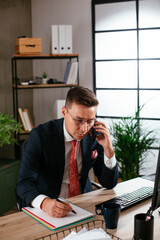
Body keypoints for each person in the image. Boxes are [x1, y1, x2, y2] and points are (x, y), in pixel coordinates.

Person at [17, 86, 118, 218]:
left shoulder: (94, 135)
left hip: (84, 204)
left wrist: (108, 149)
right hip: (51, 207)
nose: (84, 128)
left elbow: (109, 183)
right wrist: (45, 203)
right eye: (78, 120)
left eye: (90, 121)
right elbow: (24, 183)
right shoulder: (40, 136)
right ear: (64, 112)